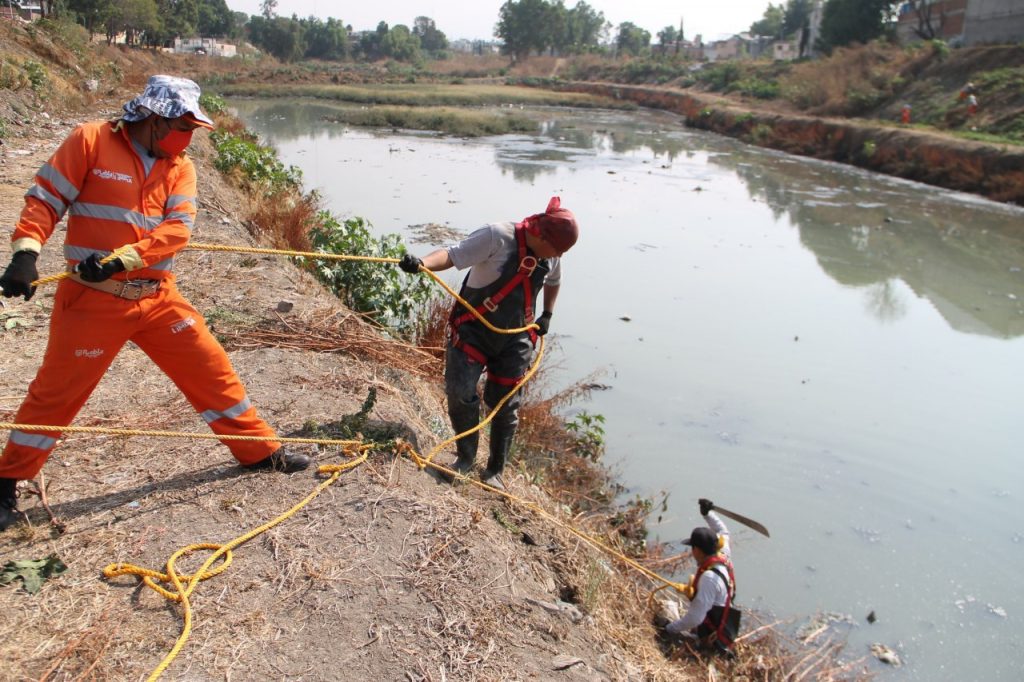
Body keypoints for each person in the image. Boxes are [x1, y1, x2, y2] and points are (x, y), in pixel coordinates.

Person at [0, 75, 310, 533]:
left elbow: (178, 229)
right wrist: (25, 254)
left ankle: (259, 452)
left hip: (157, 296)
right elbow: (45, 200)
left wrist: (122, 258)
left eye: (191, 128)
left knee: (211, 369)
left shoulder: (180, 166)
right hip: (92, 302)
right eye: (182, 126)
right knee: (56, 395)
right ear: (152, 119)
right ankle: (7, 482)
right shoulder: (90, 141)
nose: (187, 137)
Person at [398, 197, 578, 491]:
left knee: (505, 406)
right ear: (541, 234)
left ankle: (495, 471)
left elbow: (554, 281)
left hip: (517, 337)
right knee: (460, 392)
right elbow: (452, 255)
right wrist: (421, 264)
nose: (559, 255)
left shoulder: (553, 255)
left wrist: (547, 314)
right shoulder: (496, 236)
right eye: (557, 249)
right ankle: (465, 459)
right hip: (473, 330)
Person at [664, 498, 740, 655]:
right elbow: (724, 532)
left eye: (692, 548)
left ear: (697, 550)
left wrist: (670, 629)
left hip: (711, 636)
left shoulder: (709, 579)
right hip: (722, 619)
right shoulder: (723, 554)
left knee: (667, 610)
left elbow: (695, 618)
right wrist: (708, 514)